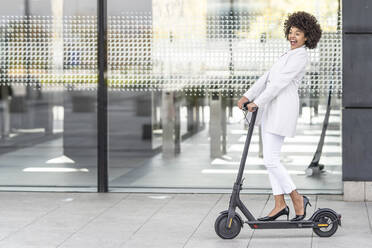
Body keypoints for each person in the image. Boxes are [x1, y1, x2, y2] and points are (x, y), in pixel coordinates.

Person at [237, 11, 322, 221]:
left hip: (281, 111)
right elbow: (266, 78)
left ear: (307, 37)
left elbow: (278, 84)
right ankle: (279, 204)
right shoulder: (287, 54)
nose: (292, 36)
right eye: (291, 32)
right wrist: (247, 95)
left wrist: (257, 102)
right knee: (270, 160)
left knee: (272, 160)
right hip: (270, 111)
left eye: (298, 33)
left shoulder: (300, 56)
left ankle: (296, 198)